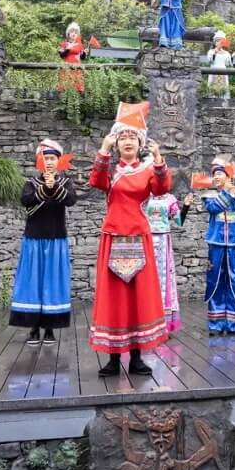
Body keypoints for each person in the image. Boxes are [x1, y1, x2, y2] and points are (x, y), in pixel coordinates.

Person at [87, 114, 172, 377]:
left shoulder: (147, 170)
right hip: (113, 236)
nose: (127, 141)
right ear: (116, 144)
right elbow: (96, 182)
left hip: (138, 236)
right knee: (114, 299)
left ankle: (136, 357)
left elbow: (161, 189)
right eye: (122, 137)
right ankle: (113, 359)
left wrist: (158, 159)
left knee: (138, 298)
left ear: (139, 143)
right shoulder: (111, 171)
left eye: (132, 137)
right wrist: (103, 149)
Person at [10, 140, 77, 345]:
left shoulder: (65, 183)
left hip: (56, 239)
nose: (49, 162)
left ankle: (49, 328)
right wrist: (45, 189)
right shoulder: (31, 183)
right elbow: (26, 201)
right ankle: (33, 328)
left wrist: (53, 186)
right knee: (33, 283)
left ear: (59, 161)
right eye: (45, 158)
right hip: (34, 239)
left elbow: (70, 200)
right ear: (40, 161)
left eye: (52, 158)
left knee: (52, 283)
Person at [202, 158, 235, 335]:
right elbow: (214, 208)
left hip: (234, 244)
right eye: (214, 174)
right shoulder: (209, 196)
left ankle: (234, 324)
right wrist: (229, 193)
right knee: (215, 280)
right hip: (216, 243)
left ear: (228, 177)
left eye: (219, 174)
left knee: (234, 281)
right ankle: (216, 324)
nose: (216, 177)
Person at [143, 191, 184, 333]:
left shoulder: (170, 198)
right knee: (147, 278)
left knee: (163, 279)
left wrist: (186, 206)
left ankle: (163, 323)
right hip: (146, 239)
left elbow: (179, 221)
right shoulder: (144, 196)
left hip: (163, 241)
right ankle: (146, 321)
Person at [58, 22, 89, 93]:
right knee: (64, 88)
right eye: (72, 32)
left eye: (76, 32)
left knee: (78, 89)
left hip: (77, 68)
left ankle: (76, 99)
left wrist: (84, 53)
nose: (74, 34)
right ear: (68, 33)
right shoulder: (64, 44)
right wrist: (67, 49)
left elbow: (82, 58)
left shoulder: (80, 45)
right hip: (66, 67)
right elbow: (61, 55)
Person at [207, 30, 232, 99]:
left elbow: (228, 63)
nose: (219, 42)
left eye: (221, 41)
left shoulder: (226, 53)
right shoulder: (211, 51)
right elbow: (210, 61)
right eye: (217, 41)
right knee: (213, 89)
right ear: (215, 42)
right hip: (213, 71)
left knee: (223, 90)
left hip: (223, 72)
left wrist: (234, 54)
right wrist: (215, 52)